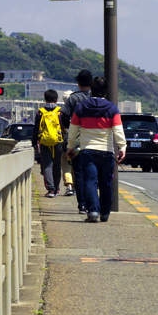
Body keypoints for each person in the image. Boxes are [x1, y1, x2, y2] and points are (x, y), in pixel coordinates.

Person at [66, 76, 126, 223]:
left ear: (92, 90)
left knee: (90, 181)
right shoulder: (112, 108)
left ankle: (92, 211)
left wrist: (70, 147)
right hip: (106, 151)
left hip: (87, 150)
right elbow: (118, 131)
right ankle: (104, 213)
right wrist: (122, 147)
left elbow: (73, 130)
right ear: (106, 91)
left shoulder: (81, 107)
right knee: (106, 183)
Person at [60, 70, 93, 211]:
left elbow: (64, 117)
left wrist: (71, 128)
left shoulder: (73, 99)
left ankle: (82, 204)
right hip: (94, 139)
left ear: (78, 83)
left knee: (78, 172)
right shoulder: (96, 97)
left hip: (77, 140)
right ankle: (93, 203)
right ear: (91, 84)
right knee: (91, 174)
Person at [33, 89, 63, 197]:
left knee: (47, 165)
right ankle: (57, 188)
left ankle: (50, 189)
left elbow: (36, 129)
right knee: (57, 165)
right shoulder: (60, 112)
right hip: (58, 142)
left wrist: (34, 144)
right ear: (57, 99)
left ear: (45, 99)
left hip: (44, 142)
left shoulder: (40, 112)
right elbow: (64, 128)